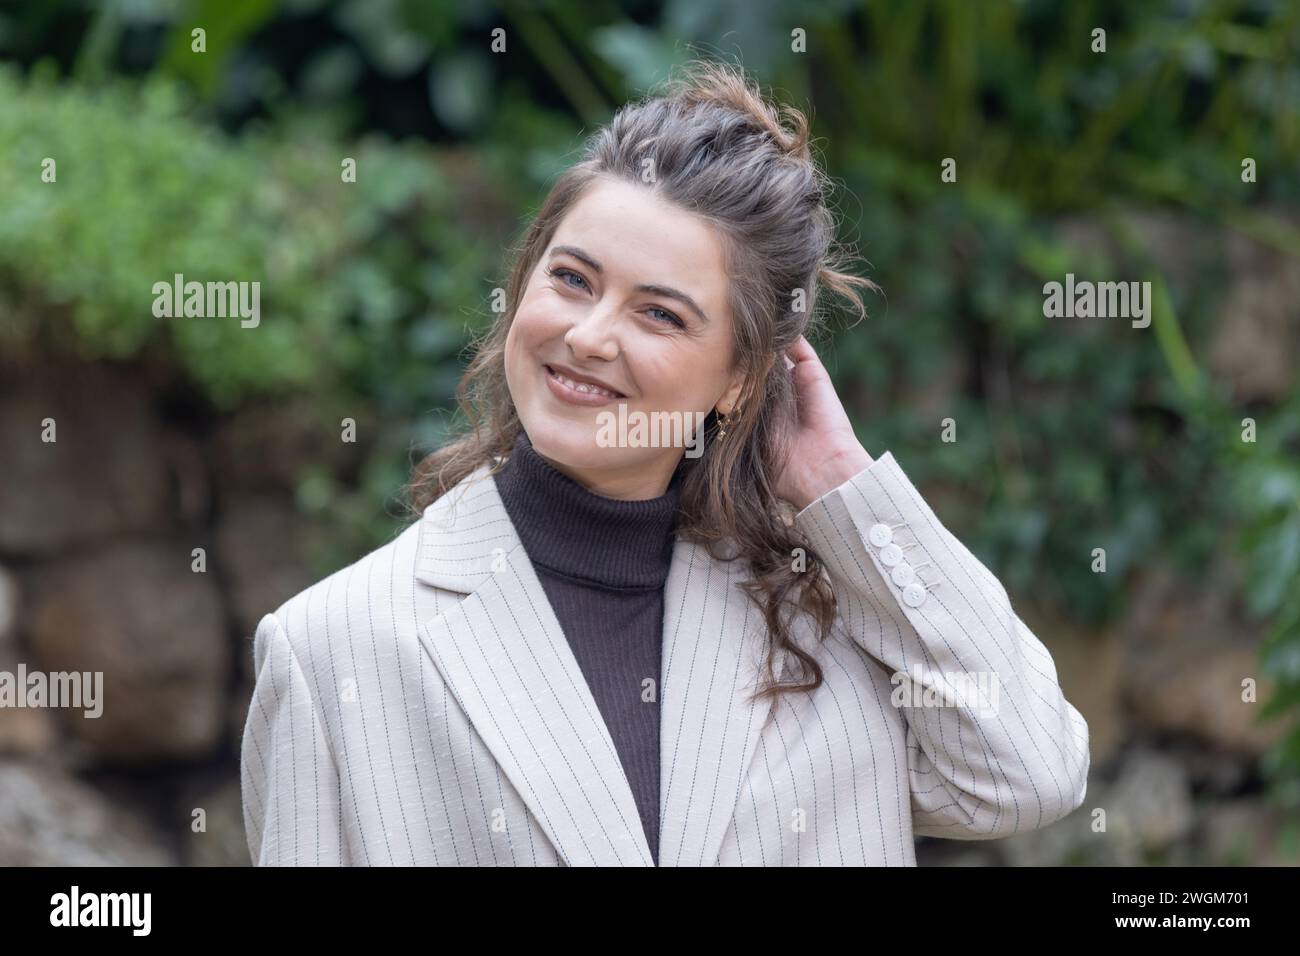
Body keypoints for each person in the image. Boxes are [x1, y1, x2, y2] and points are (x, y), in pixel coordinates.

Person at [240, 58, 1089, 866]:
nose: (589, 335)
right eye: (572, 279)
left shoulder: (832, 624)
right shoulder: (333, 652)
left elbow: (1027, 775)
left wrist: (839, 485)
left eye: (660, 315)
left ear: (743, 377)